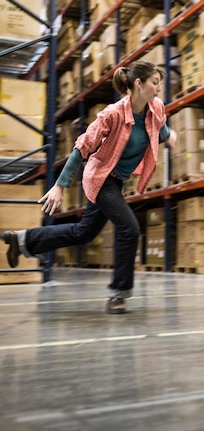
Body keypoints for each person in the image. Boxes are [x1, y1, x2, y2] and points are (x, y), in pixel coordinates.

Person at [1, 61, 176, 314]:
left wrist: (170, 136)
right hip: (100, 177)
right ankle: (119, 294)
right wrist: (60, 185)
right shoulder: (113, 114)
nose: (159, 89)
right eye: (155, 83)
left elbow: (159, 127)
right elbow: (82, 148)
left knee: (84, 232)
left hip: (116, 180)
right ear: (139, 84)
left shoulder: (155, 108)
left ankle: (23, 239)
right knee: (130, 229)